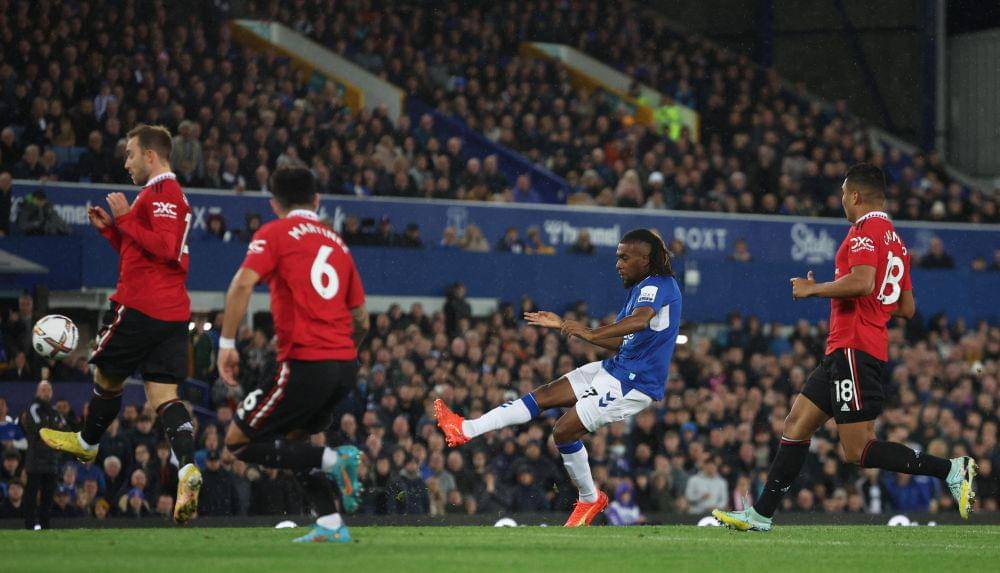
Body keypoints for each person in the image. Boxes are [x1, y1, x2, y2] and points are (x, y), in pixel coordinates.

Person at [713, 163, 977, 532]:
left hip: (855, 347)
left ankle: (950, 469)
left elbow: (864, 282)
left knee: (858, 450)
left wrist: (814, 289)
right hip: (847, 349)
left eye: (842, 194)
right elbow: (906, 308)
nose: (841, 201)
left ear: (855, 196)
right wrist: (873, 307)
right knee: (796, 423)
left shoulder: (863, 232)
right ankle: (760, 514)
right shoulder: (897, 243)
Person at [435, 228, 682, 527]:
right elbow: (621, 342)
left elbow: (640, 321)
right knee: (544, 396)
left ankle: (590, 498)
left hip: (634, 382)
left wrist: (588, 332)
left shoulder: (658, 285)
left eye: (625, 258)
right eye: (618, 257)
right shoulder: (640, 289)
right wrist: (566, 325)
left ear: (645, 260)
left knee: (563, 431)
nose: (618, 264)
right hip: (616, 368)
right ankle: (465, 429)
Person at [39, 124, 201, 524]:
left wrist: (126, 217)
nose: (126, 163)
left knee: (107, 378)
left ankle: (88, 441)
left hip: (142, 305)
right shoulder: (161, 195)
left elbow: (165, 248)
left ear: (150, 155)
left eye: (130, 154)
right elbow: (142, 252)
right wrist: (114, 230)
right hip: (171, 312)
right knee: (164, 395)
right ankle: (187, 467)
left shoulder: (163, 192)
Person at [217, 166, 369, 543]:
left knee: (238, 442)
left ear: (274, 204)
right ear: (317, 200)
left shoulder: (274, 233)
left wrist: (226, 344)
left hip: (305, 362)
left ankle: (335, 459)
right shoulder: (337, 242)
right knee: (294, 439)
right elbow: (361, 318)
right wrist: (343, 355)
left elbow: (242, 285)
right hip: (345, 365)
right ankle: (330, 523)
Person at [20, 381, 66, 529]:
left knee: (48, 495)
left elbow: (64, 429)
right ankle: (29, 525)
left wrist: (52, 433)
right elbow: (40, 430)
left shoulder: (54, 411)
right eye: (43, 389)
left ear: (51, 393)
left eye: (48, 389)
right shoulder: (33, 407)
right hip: (36, 459)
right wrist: (53, 432)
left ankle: (45, 526)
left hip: (52, 460)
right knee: (32, 494)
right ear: (37, 392)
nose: (46, 392)